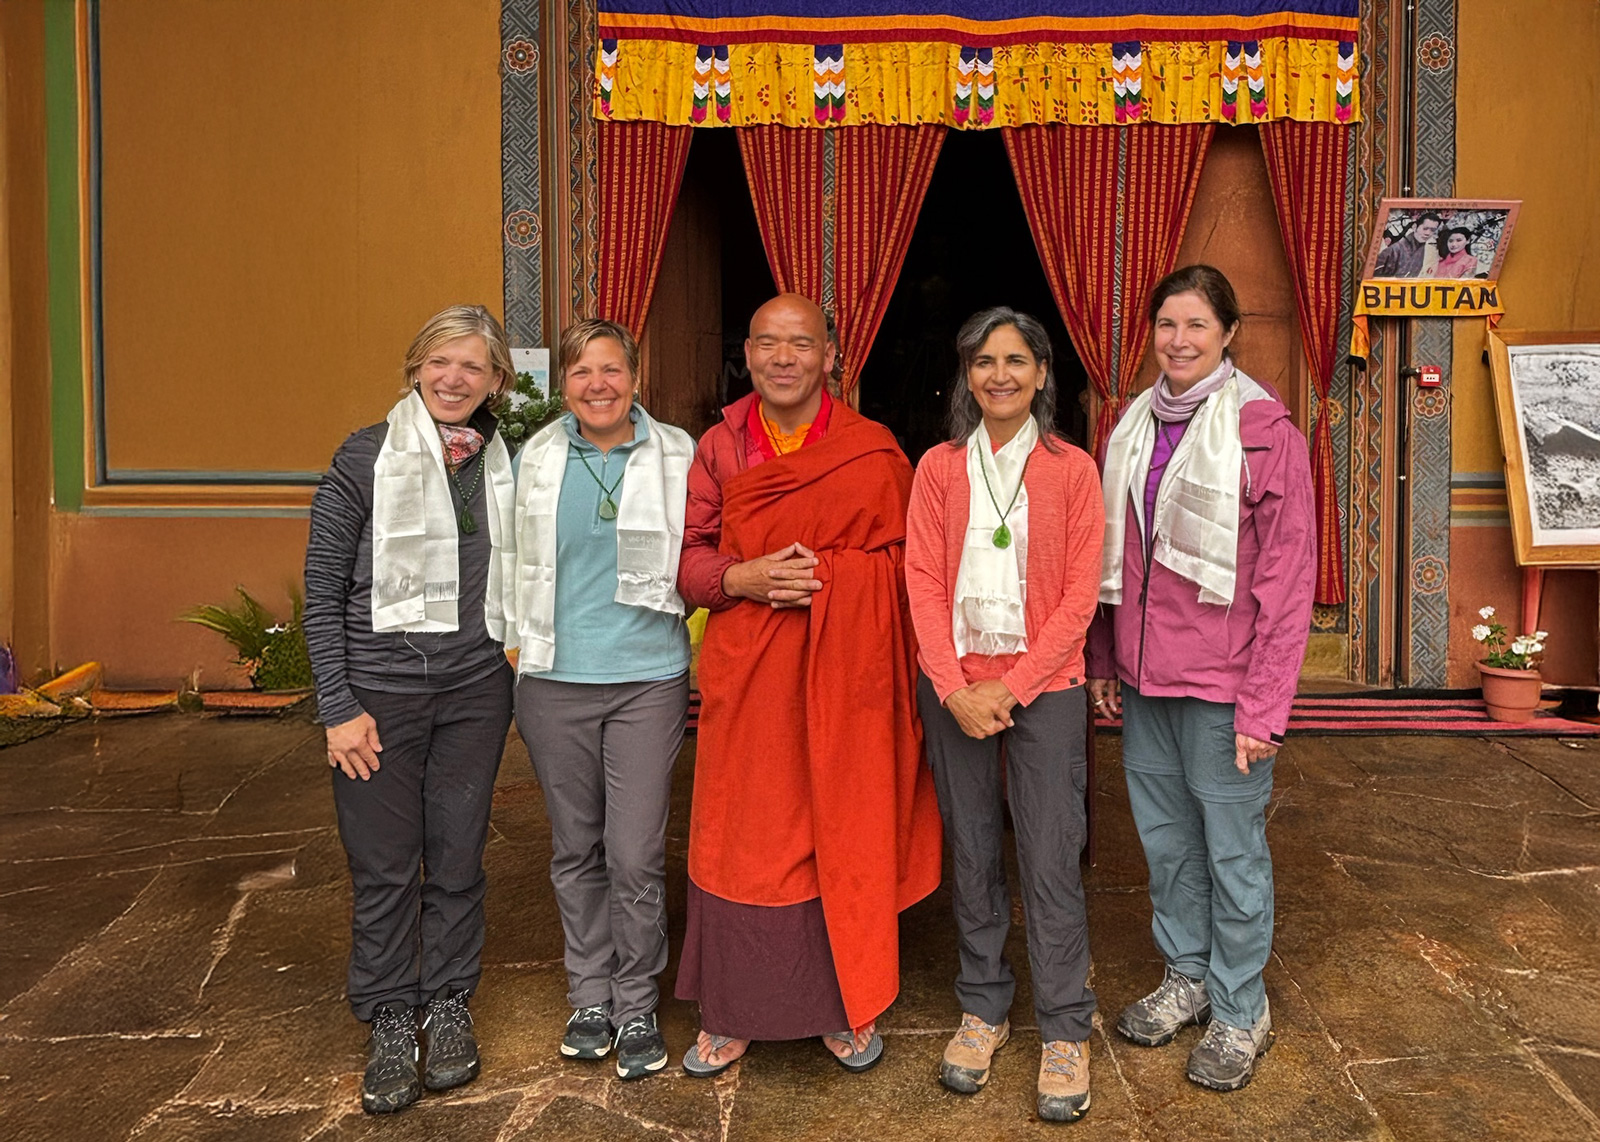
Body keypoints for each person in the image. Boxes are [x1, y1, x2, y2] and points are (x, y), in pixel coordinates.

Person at [674, 292, 943, 1076]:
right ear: (747, 355)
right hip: (751, 676)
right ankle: (731, 1010)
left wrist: (837, 579)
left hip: (848, 678)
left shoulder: (872, 451)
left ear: (831, 356)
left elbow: (911, 566)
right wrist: (742, 577)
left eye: (800, 343)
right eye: (767, 342)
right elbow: (687, 558)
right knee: (741, 837)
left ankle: (840, 1004)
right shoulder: (721, 447)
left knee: (841, 827)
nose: (783, 357)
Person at [1086, 265, 1315, 1092]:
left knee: (1231, 851)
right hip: (1148, 679)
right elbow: (1112, 554)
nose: (1178, 341)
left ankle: (1240, 1007)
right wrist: (1104, 657)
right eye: (1166, 325)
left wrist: (1264, 706)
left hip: (1226, 686)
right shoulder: (1131, 426)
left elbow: (1288, 579)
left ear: (1227, 334)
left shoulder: (1264, 430)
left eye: (1196, 325)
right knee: (1167, 845)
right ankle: (1188, 975)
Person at [305, 305, 518, 1114]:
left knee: (458, 857)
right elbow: (323, 588)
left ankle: (448, 1002)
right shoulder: (365, 456)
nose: (454, 378)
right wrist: (337, 705)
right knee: (385, 865)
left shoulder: (506, 463)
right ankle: (391, 1014)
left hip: (474, 691)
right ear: (416, 367)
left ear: (496, 381)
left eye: (473, 366)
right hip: (378, 695)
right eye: (440, 361)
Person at [905, 308, 1105, 1123]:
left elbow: (1079, 596)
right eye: (985, 361)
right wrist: (953, 687)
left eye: (1016, 360)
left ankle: (1064, 1026)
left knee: (1052, 854)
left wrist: (1013, 687)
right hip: (955, 685)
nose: (1000, 375)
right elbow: (921, 579)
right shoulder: (939, 468)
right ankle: (983, 1007)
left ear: (1043, 373)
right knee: (974, 848)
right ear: (967, 374)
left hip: (1045, 689)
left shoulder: (1072, 470)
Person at [508, 318, 695, 1081]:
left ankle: (636, 999)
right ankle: (589, 995)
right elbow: (503, 557)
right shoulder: (533, 458)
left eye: (611, 369)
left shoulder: (678, 453)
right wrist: (510, 644)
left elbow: (705, 550)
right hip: (554, 681)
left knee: (636, 852)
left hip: (648, 678)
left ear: (636, 377)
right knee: (576, 846)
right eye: (581, 371)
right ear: (563, 385)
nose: (598, 384)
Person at [1372, 212, 1442, 278]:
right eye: (1425, 228)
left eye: (1432, 230)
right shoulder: (1394, 249)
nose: (1428, 233)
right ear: (1415, 227)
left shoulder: (1430, 251)